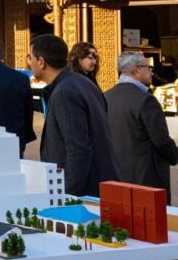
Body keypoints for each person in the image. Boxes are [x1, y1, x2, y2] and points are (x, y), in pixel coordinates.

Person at [32, 34, 120, 197]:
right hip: (100, 181)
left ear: (41, 61)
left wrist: (69, 196)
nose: (29, 63)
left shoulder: (65, 92)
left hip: (86, 191)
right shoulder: (83, 83)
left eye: (31, 58)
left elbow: (78, 149)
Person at [105, 52, 178, 199]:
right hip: (146, 177)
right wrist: (175, 155)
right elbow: (161, 140)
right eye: (148, 68)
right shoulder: (146, 100)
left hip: (115, 174)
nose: (151, 72)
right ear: (137, 70)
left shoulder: (106, 96)